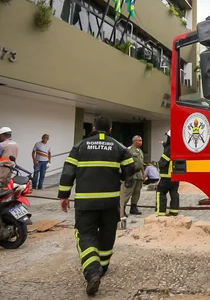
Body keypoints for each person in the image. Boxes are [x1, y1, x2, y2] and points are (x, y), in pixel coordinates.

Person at [57, 115, 135, 296]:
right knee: (108, 232)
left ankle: (93, 271)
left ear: (93, 127)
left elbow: (68, 171)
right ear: (110, 129)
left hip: (86, 202)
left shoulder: (80, 146)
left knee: (85, 234)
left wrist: (63, 195)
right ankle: (103, 267)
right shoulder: (119, 146)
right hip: (110, 201)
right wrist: (121, 178)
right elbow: (131, 167)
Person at [155, 131, 179, 216]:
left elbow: (163, 161)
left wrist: (157, 164)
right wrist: (164, 144)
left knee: (160, 192)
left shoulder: (169, 148)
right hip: (176, 176)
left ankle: (161, 212)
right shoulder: (178, 147)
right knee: (174, 193)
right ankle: (174, 211)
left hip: (166, 177)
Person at [120, 135, 145, 217]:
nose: (141, 142)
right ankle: (122, 209)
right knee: (127, 192)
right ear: (134, 141)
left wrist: (143, 174)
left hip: (138, 175)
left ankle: (134, 207)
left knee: (137, 192)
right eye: (139, 140)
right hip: (131, 174)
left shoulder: (140, 151)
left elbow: (141, 164)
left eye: (141, 140)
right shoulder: (129, 150)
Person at [0, 127, 19, 191]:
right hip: (10, 168)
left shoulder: (2, 145)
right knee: (5, 185)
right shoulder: (15, 144)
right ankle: (4, 199)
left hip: (1, 168)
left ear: (2, 135)